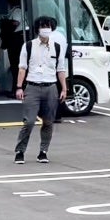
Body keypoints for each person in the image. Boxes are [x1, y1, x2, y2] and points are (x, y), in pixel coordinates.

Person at [13, 16, 67, 164]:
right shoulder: (29, 46)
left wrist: (64, 88)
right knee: (29, 121)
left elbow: (61, 69)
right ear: (38, 29)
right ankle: (20, 151)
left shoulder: (57, 46)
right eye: (43, 26)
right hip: (33, 86)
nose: (46, 29)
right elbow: (22, 68)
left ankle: (43, 151)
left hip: (51, 87)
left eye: (48, 26)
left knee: (48, 122)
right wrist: (19, 87)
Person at [0, 0, 27, 98]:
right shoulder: (13, 11)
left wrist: (5, 24)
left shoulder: (17, 11)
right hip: (14, 40)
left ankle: (17, 89)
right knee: (14, 65)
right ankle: (14, 89)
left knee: (16, 65)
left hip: (16, 40)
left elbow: (15, 23)